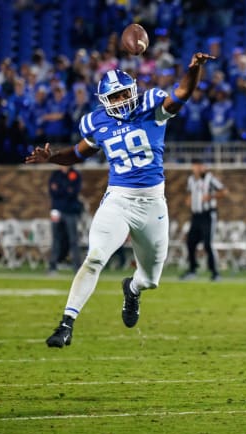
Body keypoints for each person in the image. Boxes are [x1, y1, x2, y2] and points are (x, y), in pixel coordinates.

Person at [26, 52, 215, 348]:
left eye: (125, 93)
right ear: (103, 101)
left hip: (152, 203)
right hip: (119, 200)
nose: (121, 101)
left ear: (134, 90)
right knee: (96, 256)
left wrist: (194, 69)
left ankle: (132, 289)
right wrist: (52, 158)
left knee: (151, 279)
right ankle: (66, 323)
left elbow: (183, 92)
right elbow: (77, 154)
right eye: (114, 97)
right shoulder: (97, 123)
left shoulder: (152, 107)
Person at [180, 159, 228, 281]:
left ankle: (215, 272)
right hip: (196, 215)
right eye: (194, 166)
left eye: (198, 166)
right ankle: (192, 270)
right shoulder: (191, 180)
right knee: (190, 242)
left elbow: (224, 191)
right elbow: (190, 193)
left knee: (208, 244)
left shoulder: (210, 179)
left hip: (208, 215)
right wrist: (189, 200)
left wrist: (211, 196)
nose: (196, 169)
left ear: (203, 167)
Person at [48, 165, 83, 273]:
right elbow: (52, 191)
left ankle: (77, 267)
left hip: (70, 212)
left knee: (73, 240)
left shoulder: (75, 174)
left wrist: (59, 189)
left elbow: (74, 192)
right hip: (56, 211)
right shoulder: (55, 174)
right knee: (56, 239)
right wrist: (66, 189)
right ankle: (53, 266)